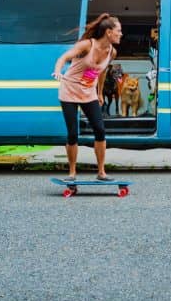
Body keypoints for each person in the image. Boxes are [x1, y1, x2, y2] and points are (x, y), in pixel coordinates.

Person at [52, 13, 122, 181]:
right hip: (69, 90)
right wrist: (58, 70)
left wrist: (99, 93)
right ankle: (72, 172)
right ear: (108, 32)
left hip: (88, 92)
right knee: (73, 133)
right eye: (118, 31)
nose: (121, 34)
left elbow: (102, 72)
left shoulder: (111, 52)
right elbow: (64, 57)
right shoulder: (87, 45)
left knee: (100, 130)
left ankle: (101, 172)